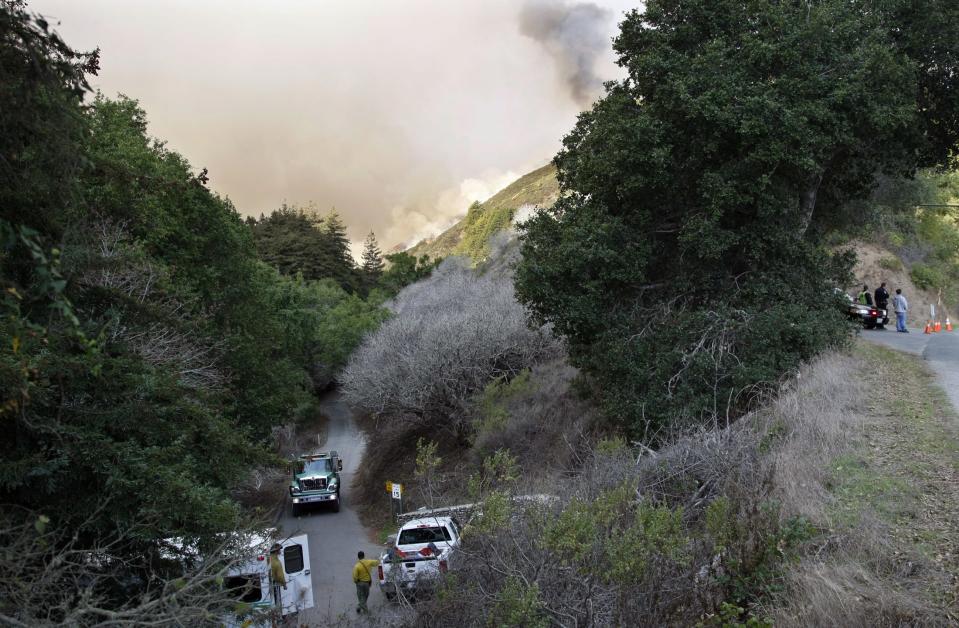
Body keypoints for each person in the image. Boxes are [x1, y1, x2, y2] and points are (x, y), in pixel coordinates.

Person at [269, 543, 287, 609]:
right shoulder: (276, 562)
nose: (280, 551)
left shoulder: (269, 559)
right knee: (277, 605)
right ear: (276, 551)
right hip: (275, 585)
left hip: (270, 586)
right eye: (279, 550)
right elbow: (280, 576)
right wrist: (284, 584)